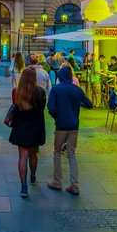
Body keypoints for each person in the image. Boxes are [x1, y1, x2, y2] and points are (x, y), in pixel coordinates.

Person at [47, 66, 93, 195]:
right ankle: (74, 184)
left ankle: (57, 181)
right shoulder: (77, 90)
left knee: (57, 152)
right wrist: (78, 104)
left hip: (61, 125)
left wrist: (57, 116)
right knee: (71, 154)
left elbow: (51, 107)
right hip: (74, 125)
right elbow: (89, 104)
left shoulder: (56, 89)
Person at [9, 67, 47, 198]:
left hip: (21, 127)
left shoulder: (17, 92)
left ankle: (23, 186)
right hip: (36, 126)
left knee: (22, 156)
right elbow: (42, 108)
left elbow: (14, 107)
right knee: (33, 154)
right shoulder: (40, 92)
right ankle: (32, 176)